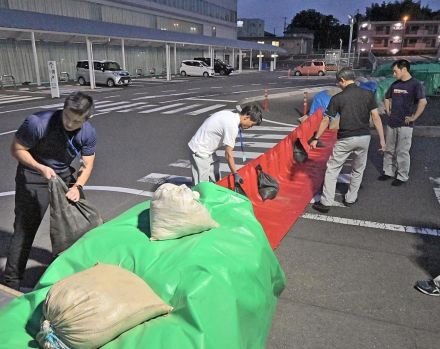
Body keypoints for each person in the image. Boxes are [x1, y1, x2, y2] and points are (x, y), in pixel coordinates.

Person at [3, 92, 97, 290]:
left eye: (76, 121)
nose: (70, 124)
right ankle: (11, 281)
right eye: (67, 118)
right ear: (62, 109)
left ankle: (76, 273)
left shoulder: (88, 132)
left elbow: (87, 164)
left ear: (86, 119)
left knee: (80, 222)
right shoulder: (37, 123)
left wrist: (77, 186)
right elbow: (17, 149)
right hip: (33, 174)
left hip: (63, 175)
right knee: (25, 229)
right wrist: (41, 168)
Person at [310, 68, 386, 213]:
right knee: (358, 169)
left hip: (345, 138)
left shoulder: (338, 98)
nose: (338, 85)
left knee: (332, 169)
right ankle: (351, 199)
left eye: (338, 82)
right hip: (364, 137)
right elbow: (376, 117)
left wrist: (315, 138)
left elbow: (326, 119)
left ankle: (326, 203)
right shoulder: (368, 94)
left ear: (343, 80)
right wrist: (382, 140)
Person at [378, 59, 427, 186]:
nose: (394, 74)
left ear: (404, 69)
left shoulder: (416, 85)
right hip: (392, 122)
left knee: (402, 151)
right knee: (389, 149)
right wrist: (388, 108)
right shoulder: (395, 85)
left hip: (405, 125)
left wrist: (414, 117)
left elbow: (423, 102)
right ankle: (388, 172)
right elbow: (387, 97)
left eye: (395, 71)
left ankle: (402, 176)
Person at [188, 104, 263, 186]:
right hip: (200, 150)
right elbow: (228, 154)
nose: (250, 127)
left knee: (216, 179)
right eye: (251, 124)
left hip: (208, 150)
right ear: (246, 117)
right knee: (202, 186)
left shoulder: (229, 114)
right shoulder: (232, 126)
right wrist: (235, 174)